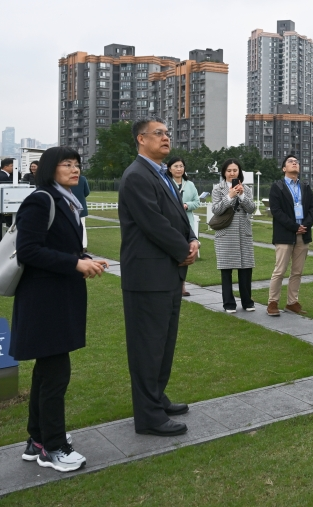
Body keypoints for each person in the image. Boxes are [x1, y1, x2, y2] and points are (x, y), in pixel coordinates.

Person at [9, 146, 107, 473]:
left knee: (46, 372)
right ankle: (52, 447)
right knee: (55, 375)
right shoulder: (41, 199)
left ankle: (36, 438)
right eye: (67, 164)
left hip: (58, 296)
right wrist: (75, 263)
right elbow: (29, 251)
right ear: (51, 168)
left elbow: (60, 246)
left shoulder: (65, 200)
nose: (74, 169)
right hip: (44, 300)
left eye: (77, 164)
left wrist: (85, 258)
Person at [118, 119, 198, 437]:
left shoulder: (161, 174)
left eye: (168, 134)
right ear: (141, 139)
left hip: (166, 273)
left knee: (163, 344)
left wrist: (191, 239)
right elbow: (153, 223)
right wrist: (183, 250)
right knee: (148, 346)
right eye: (159, 134)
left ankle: (157, 398)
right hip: (147, 276)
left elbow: (176, 215)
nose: (167, 138)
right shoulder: (137, 175)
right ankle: (149, 415)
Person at [266, 154, 313, 316]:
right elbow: (276, 211)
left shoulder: (305, 186)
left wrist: (305, 225)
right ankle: (272, 302)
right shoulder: (277, 187)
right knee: (280, 270)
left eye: (296, 162)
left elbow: (312, 209)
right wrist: (294, 227)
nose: (294, 163)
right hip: (285, 234)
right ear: (284, 168)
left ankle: (292, 302)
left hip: (303, 233)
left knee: (297, 271)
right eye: (290, 162)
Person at [211, 158, 257, 313]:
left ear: (239, 172)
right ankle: (229, 304)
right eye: (229, 170)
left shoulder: (246, 189)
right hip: (226, 234)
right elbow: (216, 210)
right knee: (226, 270)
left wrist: (242, 196)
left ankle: (247, 302)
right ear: (224, 172)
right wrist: (229, 196)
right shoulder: (218, 189)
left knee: (245, 269)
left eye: (235, 170)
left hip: (243, 233)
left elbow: (251, 209)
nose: (232, 173)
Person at [166, 157, 201, 234]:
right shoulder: (166, 184)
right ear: (169, 169)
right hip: (170, 224)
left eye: (181, 166)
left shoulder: (190, 185)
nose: (179, 169)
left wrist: (186, 205)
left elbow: (197, 202)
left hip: (188, 223)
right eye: (176, 166)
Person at [0, 158, 15, 247]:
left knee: (1, 226)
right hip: (4, 206)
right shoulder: (3, 176)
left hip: (2, 206)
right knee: (5, 226)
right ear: (5, 166)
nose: (13, 168)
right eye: (11, 166)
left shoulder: (0, 175)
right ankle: (1, 245)